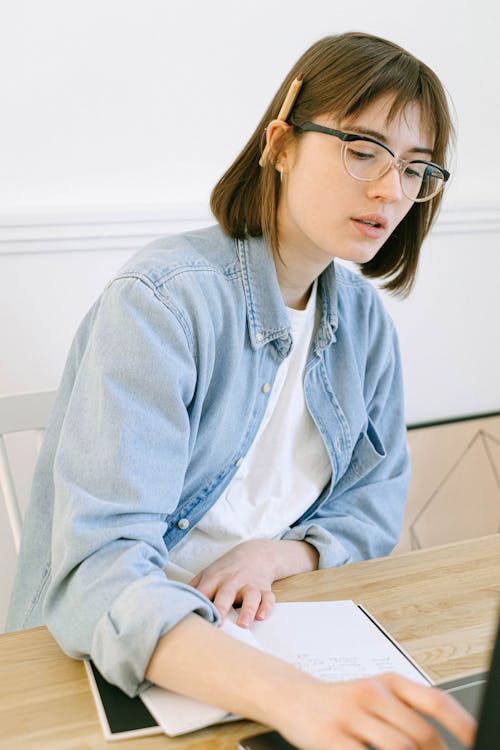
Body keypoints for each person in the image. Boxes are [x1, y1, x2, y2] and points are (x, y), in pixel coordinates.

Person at [8, 31, 475, 750]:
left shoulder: (363, 324)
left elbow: (371, 508)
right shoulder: (160, 303)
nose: (392, 190)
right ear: (281, 143)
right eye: (363, 149)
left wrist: (275, 556)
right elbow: (101, 572)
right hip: (113, 668)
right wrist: (299, 701)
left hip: (275, 630)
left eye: (416, 168)